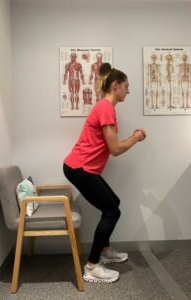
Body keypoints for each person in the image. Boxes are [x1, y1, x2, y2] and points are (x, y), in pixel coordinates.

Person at [63, 62, 146, 283]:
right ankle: (91, 267)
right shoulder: (106, 108)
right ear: (115, 85)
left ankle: (105, 251)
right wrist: (135, 139)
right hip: (79, 168)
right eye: (126, 86)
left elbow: (112, 145)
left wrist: (130, 139)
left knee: (114, 203)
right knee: (112, 211)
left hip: (82, 167)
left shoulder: (105, 107)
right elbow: (115, 149)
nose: (128, 91)